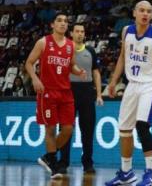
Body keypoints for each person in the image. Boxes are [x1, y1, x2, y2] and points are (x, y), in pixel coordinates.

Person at [104, 1, 152, 186]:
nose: (145, 14)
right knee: (124, 129)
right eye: (142, 10)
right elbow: (122, 57)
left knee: (141, 126)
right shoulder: (126, 31)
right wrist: (114, 81)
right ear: (134, 13)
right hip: (132, 84)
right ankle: (126, 173)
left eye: (149, 11)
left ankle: (151, 173)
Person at [24, 12, 88, 179]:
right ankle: (53, 163)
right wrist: (35, 79)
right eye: (59, 21)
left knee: (68, 129)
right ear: (52, 24)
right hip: (47, 91)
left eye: (65, 21)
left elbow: (71, 65)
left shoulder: (70, 45)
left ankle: (48, 157)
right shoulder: (43, 42)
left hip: (66, 92)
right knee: (50, 128)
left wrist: (78, 71)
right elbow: (29, 63)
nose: (63, 23)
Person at [59, 22, 104, 174]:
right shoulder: (64, 50)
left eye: (82, 31)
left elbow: (96, 73)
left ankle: (88, 163)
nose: (80, 34)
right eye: (77, 31)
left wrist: (98, 94)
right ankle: (63, 163)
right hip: (67, 93)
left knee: (88, 130)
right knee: (65, 129)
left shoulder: (91, 50)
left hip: (86, 93)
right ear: (71, 33)